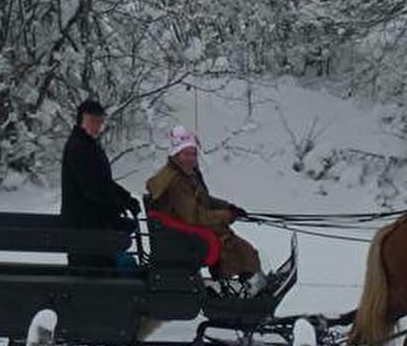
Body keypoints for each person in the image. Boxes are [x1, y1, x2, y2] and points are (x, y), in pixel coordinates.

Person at [146, 126, 265, 293]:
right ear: (176, 154)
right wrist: (225, 215)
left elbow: (204, 199)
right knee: (240, 248)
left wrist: (229, 207)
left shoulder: (186, 174)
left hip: (187, 231)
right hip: (185, 236)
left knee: (238, 246)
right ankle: (247, 289)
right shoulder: (176, 181)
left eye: (193, 153)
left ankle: (236, 286)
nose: (191, 158)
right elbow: (193, 216)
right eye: (186, 153)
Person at [60, 98, 140, 269]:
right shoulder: (78, 148)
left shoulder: (89, 145)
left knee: (115, 264)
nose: (97, 126)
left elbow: (103, 182)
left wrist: (126, 198)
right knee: (101, 270)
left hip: (94, 224)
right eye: (92, 121)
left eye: (100, 121)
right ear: (81, 120)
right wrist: (118, 205)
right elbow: (92, 189)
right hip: (84, 228)